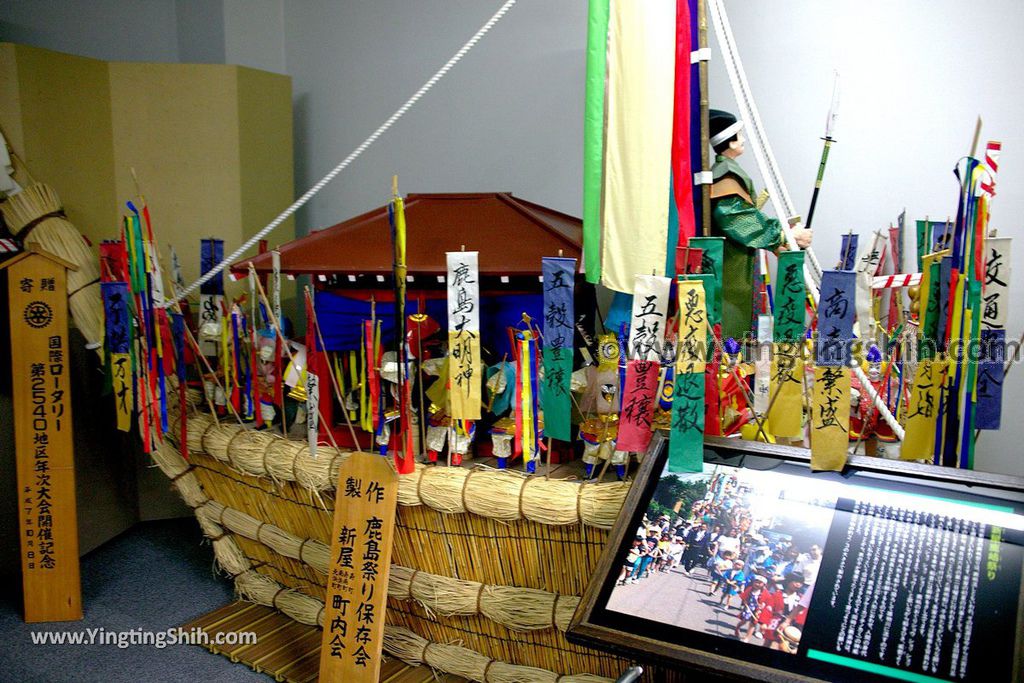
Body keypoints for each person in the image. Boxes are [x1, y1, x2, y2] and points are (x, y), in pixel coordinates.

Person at [709, 109, 813, 342]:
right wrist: (784, 236)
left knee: (741, 321)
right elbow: (737, 218)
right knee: (731, 323)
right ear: (729, 140)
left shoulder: (727, 171)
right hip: (730, 266)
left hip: (739, 260)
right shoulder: (724, 174)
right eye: (739, 135)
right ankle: (730, 372)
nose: (743, 139)